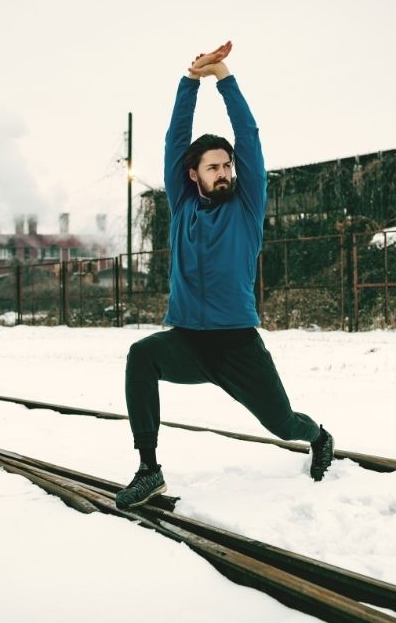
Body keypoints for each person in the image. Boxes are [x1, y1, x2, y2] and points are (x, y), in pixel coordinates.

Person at [115, 42, 333, 510]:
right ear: (193, 175)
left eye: (227, 165)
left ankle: (319, 436)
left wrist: (225, 78)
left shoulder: (247, 205)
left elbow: (248, 135)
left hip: (237, 345)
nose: (224, 172)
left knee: (283, 424)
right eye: (213, 166)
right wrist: (189, 82)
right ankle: (148, 470)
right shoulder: (184, 205)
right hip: (189, 341)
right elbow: (175, 140)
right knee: (141, 357)